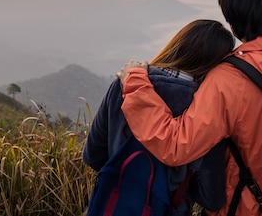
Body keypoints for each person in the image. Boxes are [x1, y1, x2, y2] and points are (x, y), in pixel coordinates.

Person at [117, 0, 262, 216]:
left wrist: (135, 82)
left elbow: (176, 145)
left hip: (246, 207)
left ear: (234, 27)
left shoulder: (229, 80)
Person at [83, 19, 235, 215]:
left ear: (177, 45)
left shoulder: (125, 84)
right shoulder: (206, 109)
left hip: (113, 205)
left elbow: (93, 155)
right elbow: (211, 198)